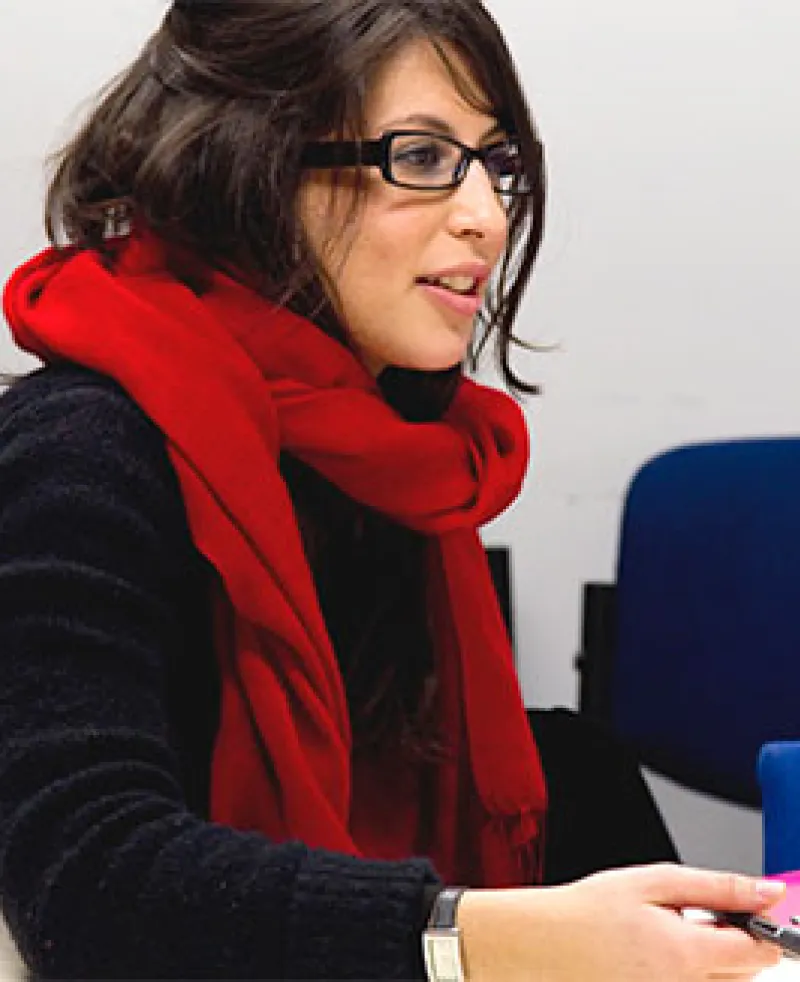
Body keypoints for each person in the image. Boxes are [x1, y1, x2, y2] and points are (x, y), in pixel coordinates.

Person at [0, 1, 784, 979]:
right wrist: (473, 941)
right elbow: (85, 884)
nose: (487, 217)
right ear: (247, 165)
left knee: (580, 773)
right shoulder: (79, 450)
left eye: (494, 162)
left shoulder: (389, 444)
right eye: (419, 157)